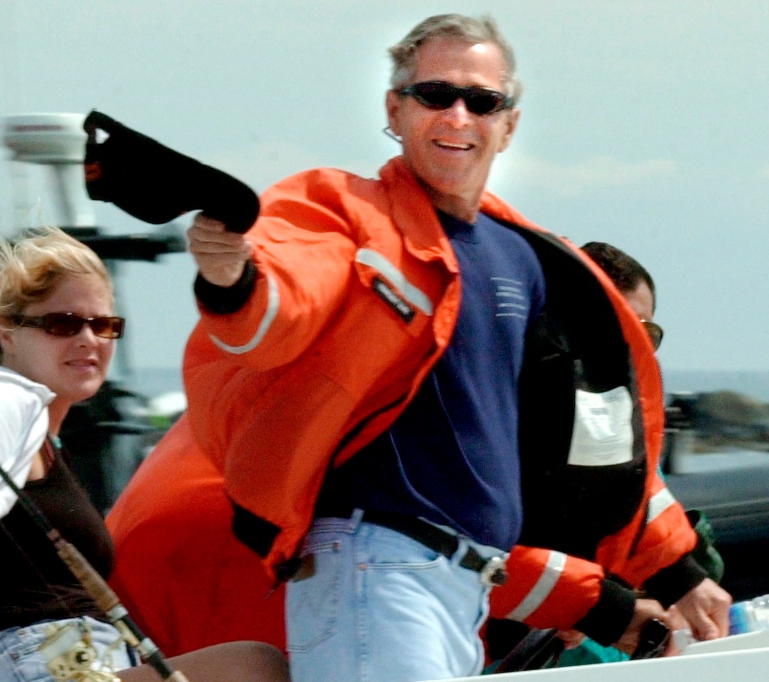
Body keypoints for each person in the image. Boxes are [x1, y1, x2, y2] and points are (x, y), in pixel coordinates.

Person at [110, 13, 712, 682]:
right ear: (395, 110)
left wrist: (678, 569)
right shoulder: (343, 212)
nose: (457, 115)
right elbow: (285, 295)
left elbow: (585, 436)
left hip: (467, 582)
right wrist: (233, 277)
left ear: (508, 124)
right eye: (434, 95)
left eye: (481, 100)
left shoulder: (526, 259)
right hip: (374, 567)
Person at [0, 227, 288, 682]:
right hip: (30, 662)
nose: (88, 339)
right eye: (63, 324)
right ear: (8, 333)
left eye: (104, 325)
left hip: (78, 659)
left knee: (256, 663)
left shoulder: (44, 434)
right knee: (252, 670)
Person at [483, 242, 731, 669]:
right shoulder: (494, 411)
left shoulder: (627, 441)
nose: (627, 346)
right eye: (613, 325)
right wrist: (594, 607)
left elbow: (639, 523)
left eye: (645, 333)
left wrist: (682, 578)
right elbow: (472, 547)